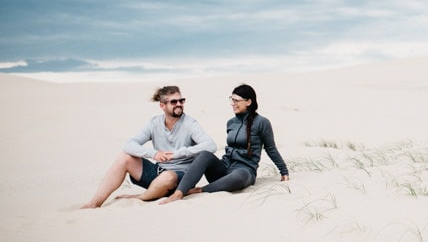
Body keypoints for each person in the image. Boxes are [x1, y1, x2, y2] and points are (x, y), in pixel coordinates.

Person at [81, 85, 216, 208]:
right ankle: (94, 203)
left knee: (168, 176)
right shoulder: (154, 123)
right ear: (162, 106)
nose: (179, 104)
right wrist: (154, 154)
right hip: (157, 173)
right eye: (174, 102)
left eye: (181, 100)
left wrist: (178, 153)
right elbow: (129, 145)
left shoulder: (190, 123)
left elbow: (210, 145)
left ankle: (140, 197)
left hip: (181, 179)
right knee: (124, 158)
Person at [161, 83, 289, 204]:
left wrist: (284, 171)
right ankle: (179, 192)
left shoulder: (262, 122)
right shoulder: (231, 123)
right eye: (231, 100)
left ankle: (200, 190)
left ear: (248, 102)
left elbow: (270, 148)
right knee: (204, 154)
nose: (232, 104)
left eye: (236, 101)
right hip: (223, 170)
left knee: (241, 175)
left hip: (244, 172)